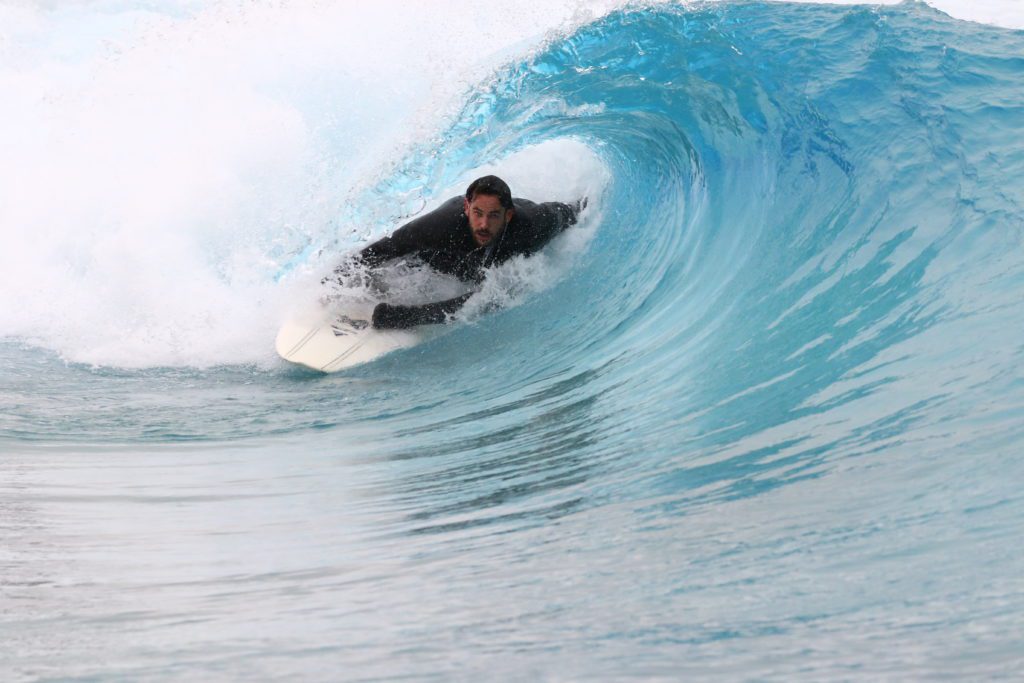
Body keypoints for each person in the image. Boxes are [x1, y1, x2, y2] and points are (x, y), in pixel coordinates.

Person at [334, 175, 583, 329]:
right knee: (405, 259)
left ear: (508, 215)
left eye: (493, 216)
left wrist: (405, 317)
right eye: (478, 213)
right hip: (445, 256)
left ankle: (402, 317)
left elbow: (566, 214)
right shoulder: (442, 224)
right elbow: (386, 247)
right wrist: (335, 280)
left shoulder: (529, 226)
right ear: (467, 207)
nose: (484, 224)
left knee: (491, 298)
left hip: (490, 264)